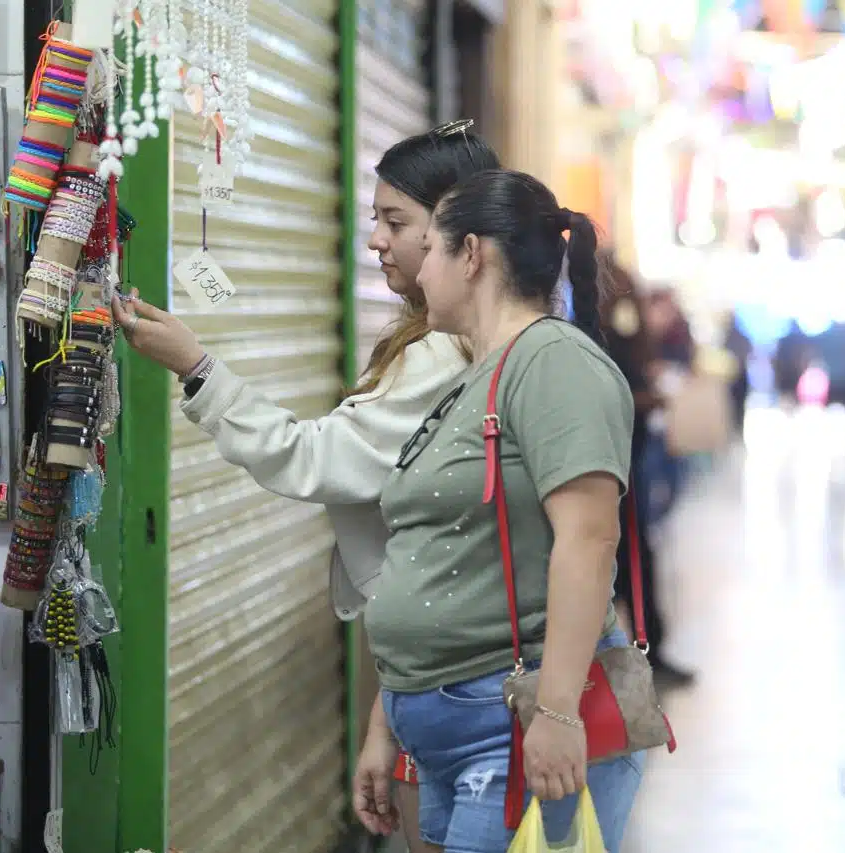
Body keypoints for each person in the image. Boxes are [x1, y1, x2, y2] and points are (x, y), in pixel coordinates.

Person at [109, 123, 500, 853]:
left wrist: (196, 366)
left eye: (395, 222)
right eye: (374, 220)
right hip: (435, 669)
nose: (376, 242)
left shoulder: (447, 354)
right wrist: (386, 718)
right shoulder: (461, 341)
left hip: (461, 685)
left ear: (458, 233)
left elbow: (311, 457)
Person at [361, 168, 643, 852]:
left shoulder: (552, 362)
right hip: (449, 730)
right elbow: (442, 555)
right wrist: (385, 723)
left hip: (511, 725)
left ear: (473, 254)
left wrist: (557, 710)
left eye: (429, 249)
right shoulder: (477, 375)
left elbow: (589, 538)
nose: (416, 271)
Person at [600, 255, 696, 687]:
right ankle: (637, 648)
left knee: (635, 560)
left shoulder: (617, 328)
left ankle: (645, 646)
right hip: (612, 471)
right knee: (626, 561)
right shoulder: (600, 331)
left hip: (625, 466)